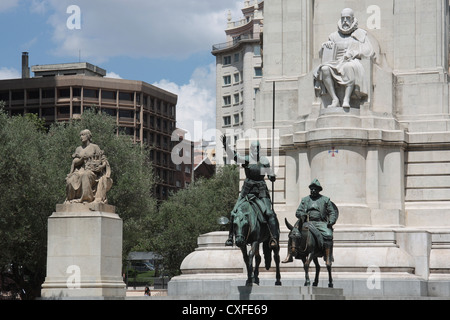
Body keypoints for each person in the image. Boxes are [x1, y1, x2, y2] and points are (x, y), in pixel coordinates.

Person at [222, 135, 279, 248]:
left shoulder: (264, 161)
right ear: (251, 149)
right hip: (247, 191)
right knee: (234, 212)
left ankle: (273, 238)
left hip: (261, 191)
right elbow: (234, 156)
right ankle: (230, 237)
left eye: (257, 148)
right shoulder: (247, 159)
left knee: (269, 213)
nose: (255, 150)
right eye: (253, 148)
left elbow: (270, 174)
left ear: (259, 149)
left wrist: (272, 176)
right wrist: (226, 146)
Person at [313, 8, 375, 108]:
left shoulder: (360, 34)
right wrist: (325, 45)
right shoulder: (333, 36)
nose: (345, 21)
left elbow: (369, 51)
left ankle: (346, 99)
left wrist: (354, 53)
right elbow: (321, 54)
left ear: (352, 19)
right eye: (343, 18)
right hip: (335, 62)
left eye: (347, 18)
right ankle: (335, 99)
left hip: (350, 61)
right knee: (324, 69)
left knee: (349, 67)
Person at [283, 179, 338, 263]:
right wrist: (302, 215)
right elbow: (298, 211)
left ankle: (328, 256)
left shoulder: (325, 200)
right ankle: (290, 255)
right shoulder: (305, 200)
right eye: (311, 189)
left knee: (328, 234)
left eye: (315, 189)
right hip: (306, 222)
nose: (313, 190)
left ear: (319, 190)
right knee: (293, 233)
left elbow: (332, 212)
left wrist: (331, 221)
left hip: (320, 223)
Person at [65, 129, 113, 204]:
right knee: (70, 180)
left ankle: (86, 199)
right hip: (79, 171)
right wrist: (81, 159)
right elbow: (75, 163)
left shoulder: (95, 147)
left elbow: (103, 160)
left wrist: (101, 167)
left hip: (92, 172)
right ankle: (70, 199)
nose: (81, 137)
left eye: (83, 135)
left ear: (88, 136)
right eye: (80, 135)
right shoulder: (78, 149)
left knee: (85, 175)